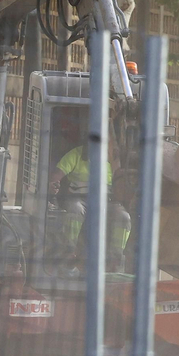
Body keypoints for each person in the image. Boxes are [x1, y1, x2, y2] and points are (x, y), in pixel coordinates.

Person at [48, 112, 131, 271]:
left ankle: (115, 259)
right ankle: (70, 250)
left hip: (107, 203)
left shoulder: (112, 161)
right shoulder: (76, 155)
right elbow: (56, 176)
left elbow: (121, 185)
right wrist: (53, 184)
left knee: (124, 217)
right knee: (75, 210)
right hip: (80, 200)